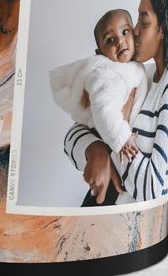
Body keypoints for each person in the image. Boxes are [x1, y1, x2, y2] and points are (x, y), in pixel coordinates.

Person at [64, 0, 168, 206]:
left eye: (143, 23)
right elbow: (74, 131)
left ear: (163, 28)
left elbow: (154, 188)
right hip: (98, 207)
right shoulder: (138, 74)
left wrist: (113, 150)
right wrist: (95, 151)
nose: (132, 32)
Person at [50, 9, 148, 162]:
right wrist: (121, 139)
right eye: (110, 40)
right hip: (111, 141)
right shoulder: (106, 74)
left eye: (125, 32)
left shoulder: (136, 68)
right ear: (100, 53)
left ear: (134, 34)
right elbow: (104, 108)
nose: (120, 41)